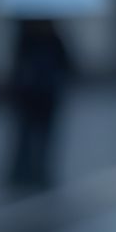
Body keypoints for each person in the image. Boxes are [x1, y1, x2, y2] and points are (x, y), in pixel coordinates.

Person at [5, 16, 75, 190]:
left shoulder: (26, 37)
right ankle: (39, 172)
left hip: (28, 95)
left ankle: (22, 172)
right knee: (43, 135)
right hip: (47, 95)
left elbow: (17, 67)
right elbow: (68, 65)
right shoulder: (53, 39)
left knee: (26, 134)